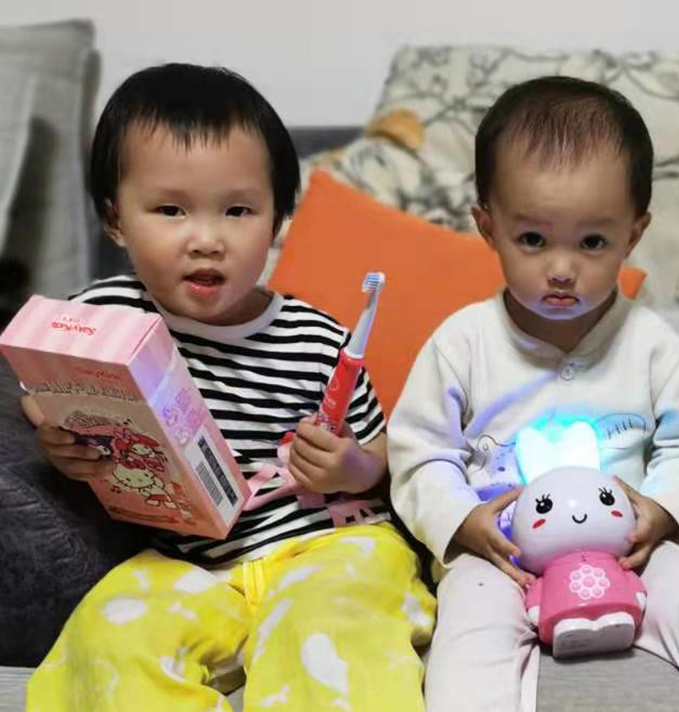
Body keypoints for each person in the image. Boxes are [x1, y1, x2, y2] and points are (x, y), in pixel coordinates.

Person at [386, 76, 679, 712]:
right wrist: (464, 523)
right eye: (533, 239)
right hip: (502, 556)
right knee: (468, 636)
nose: (562, 268)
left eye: (592, 242)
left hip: (624, 550)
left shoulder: (651, 343)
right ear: (488, 227)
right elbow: (418, 451)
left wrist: (662, 510)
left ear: (633, 235)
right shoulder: (462, 343)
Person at [22, 63, 434, 712]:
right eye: (171, 210)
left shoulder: (315, 337)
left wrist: (353, 467)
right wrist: (58, 438)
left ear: (277, 221)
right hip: (188, 565)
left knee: (329, 629)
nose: (207, 240)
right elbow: (40, 387)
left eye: (238, 211)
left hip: (325, 546)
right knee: (106, 638)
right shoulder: (99, 316)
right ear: (116, 219)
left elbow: (386, 456)